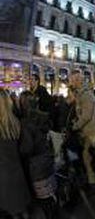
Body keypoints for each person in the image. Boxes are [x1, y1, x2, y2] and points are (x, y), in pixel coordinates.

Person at [18, 91, 57, 219]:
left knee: (43, 201)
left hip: (36, 167)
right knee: (50, 196)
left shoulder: (25, 123)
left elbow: (27, 148)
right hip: (47, 160)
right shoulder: (43, 117)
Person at [0, 89, 31, 218]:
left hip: (2, 178)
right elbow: (26, 148)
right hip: (17, 172)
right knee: (21, 209)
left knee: (10, 210)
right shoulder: (16, 123)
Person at [70, 70, 95, 187]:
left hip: (93, 133)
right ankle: (93, 182)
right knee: (88, 158)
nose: (71, 82)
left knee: (93, 159)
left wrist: (76, 126)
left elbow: (86, 116)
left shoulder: (86, 95)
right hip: (88, 133)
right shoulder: (80, 94)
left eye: (73, 80)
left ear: (79, 81)